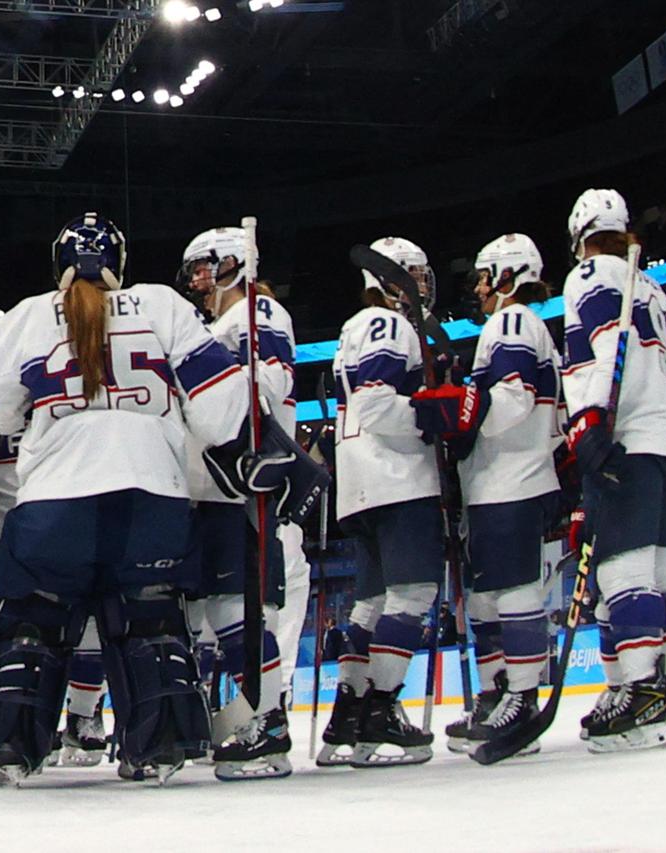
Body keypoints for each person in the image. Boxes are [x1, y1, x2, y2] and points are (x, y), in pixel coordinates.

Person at [0, 211, 298, 786]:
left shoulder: (30, 314)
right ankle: (158, 747)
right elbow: (220, 412)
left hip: (53, 500)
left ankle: (11, 746)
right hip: (152, 495)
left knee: (32, 622)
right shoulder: (162, 303)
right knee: (149, 622)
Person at [412, 233, 563, 757]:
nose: (478, 289)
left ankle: (521, 699)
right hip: (498, 482)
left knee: (514, 591)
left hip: (513, 481)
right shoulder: (514, 325)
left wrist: (457, 409)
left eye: (483, 277)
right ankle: (498, 695)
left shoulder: (512, 320)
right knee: (486, 596)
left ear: (507, 275)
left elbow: (513, 398)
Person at [561, 188, 666, 751]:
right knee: (664, 572)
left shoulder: (590, 273)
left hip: (629, 437)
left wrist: (589, 422)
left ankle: (639, 696)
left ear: (580, 237)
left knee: (622, 573)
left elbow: (605, 347)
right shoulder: (651, 284)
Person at [317, 236, 444, 769]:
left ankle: (348, 711)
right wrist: (431, 418)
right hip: (398, 477)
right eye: (413, 274)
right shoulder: (388, 324)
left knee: (371, 602)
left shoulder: (357, 326)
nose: (421, 285)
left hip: (361, 481)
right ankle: (381, 708)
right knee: (413, 593)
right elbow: (375, 402)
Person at [178, 226, 296, 781]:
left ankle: (267, 721)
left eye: (204, 267)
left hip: (238, 487)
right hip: (209, 488)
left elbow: (267, 386)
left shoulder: (258, 312)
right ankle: (215, 717)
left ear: (232, 263)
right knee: (208, 612)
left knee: (235, 609)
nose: (198, 279)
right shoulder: (217, 325)